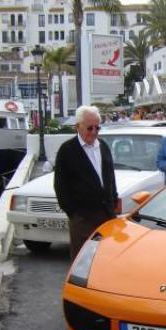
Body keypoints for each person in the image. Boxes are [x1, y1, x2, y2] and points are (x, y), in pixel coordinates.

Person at [54, 105, 118, 259]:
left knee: (104, 258)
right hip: (82, 218)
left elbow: (110, 177)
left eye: (97, 128)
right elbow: (60, 185)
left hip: (106, 215)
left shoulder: (103, 146)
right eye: (90, 128)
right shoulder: (67, 150)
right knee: (83, 260)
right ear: (78, 127)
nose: (94, 132)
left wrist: (113, 200)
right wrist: (74, 213)